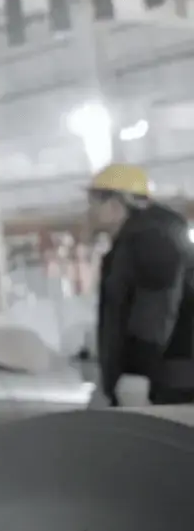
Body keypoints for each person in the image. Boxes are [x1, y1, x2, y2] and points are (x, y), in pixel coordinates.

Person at [86, 163, 194, 406]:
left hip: (171, 382)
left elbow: (155, 309)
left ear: (116, 204)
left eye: (94, 201)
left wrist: (138, 372)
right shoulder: (138, 240)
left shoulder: (152, 240)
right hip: (167, 378)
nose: (89, 210)